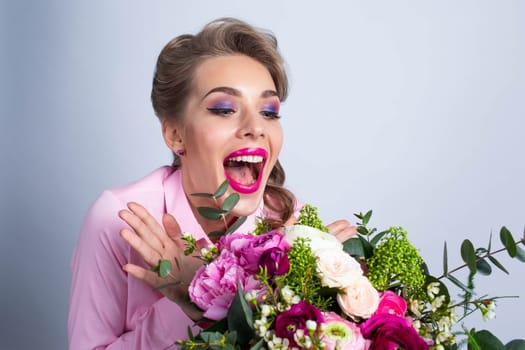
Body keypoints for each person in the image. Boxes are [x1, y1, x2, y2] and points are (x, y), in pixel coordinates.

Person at [68, 17, 356, 349]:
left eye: (269, 112)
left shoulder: (293, 224)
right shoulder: (117, 219)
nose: (256, 127)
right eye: (224, 109)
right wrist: (187, 305)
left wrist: (310, 282)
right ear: (175, 133)